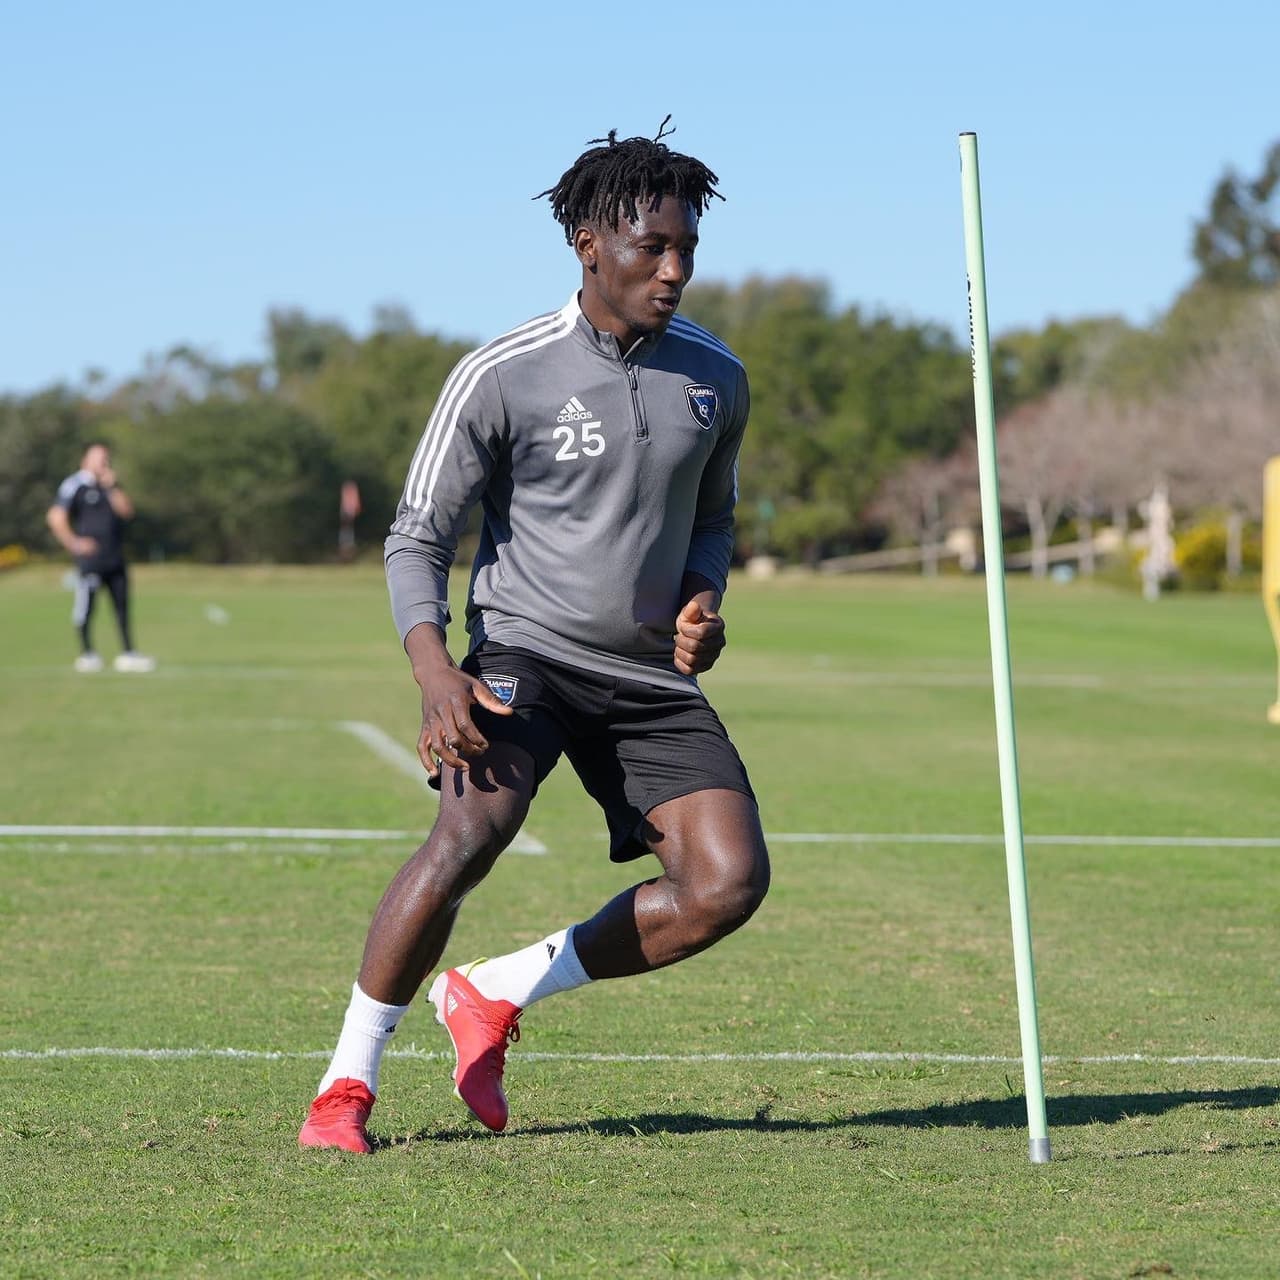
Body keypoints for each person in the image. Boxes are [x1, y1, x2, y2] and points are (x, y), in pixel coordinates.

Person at [299, 120, 770, 1153]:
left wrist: (700, 597)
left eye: (688, 247)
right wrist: (434, 674)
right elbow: (415, 535)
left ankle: (495, 990)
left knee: (726, 882)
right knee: (469, 833)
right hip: (525, 654)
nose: (675, 269)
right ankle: (344, 1085)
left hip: (645, 674)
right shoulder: (500, 373)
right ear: (588, 244)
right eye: (654, 247)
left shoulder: (714, 379)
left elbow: (713, 517)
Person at [46, 443, 155, 674]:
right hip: (91, 561)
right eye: (98, 459)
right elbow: (55, 517)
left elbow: (127, 512)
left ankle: (128, 653)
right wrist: (74, 543)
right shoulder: (74, 484)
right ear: (85, 460)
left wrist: (112, 487)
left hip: (115, 558)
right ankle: (88, 654)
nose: (103, 463)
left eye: (106, 459)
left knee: (122, 608)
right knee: (86, 608)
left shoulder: (110, 486)